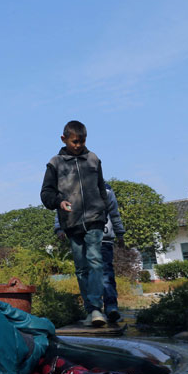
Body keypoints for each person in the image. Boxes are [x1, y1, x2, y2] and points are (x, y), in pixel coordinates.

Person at [40, 120, 109, 327]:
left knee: (95, 260)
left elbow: (101, 188)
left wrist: (103, 210)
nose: (78, 145)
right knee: (81, 268)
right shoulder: (55, 163)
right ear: (64, 139)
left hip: (95, 219)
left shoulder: (93, 159)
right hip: (71, 222)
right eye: (74, 141)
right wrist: (58, 202)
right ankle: (90, 310)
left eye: (82, 141)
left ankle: (97, 308)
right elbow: (46, 193)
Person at [55, 181, 125, 324]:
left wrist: (120, 232)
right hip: (79, 234)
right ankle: (92, 310)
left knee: (105, 272)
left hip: (103, 237)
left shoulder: (105, 190)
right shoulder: (70, 188)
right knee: (85, 272)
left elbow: (113, 212)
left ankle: (111, 307)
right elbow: (61, 208)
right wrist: (59, 228)